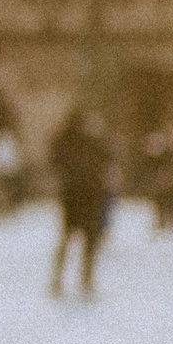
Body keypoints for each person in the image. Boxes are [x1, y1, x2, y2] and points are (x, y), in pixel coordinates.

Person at [48, 108, 113, 295]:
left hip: (84, 196)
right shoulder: (71, 140)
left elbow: (109, 156)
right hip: (78, 196)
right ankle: (75, 280)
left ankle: (78, 280)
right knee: (76, 239)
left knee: (78, 239)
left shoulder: (90, 140)